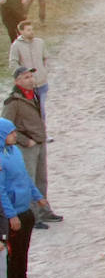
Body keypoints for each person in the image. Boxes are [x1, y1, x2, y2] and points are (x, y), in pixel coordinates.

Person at [0, 118, 48, 278]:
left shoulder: (15, 151)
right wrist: (11, 215)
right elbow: (1, 191)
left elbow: (25, 178)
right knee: (13, 252)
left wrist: (37, 196)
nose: (15, 135)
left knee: (23, 249)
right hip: (12, 213)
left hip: (24, 207)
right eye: (11, 133)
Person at [3, 65, 58, 227]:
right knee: (29, 180)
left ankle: (44, 210)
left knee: (42, 179)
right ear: (17, 81)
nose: (30, 79)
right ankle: (34, 217)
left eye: (31, 76)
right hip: (27, 146)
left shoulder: (33, 94)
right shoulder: (12, 102)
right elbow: (5, 126)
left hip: (39, 142)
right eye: (26, 77)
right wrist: (24, 140)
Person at [9, 22, 51, 118]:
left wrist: (45, 71)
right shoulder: (16, 46)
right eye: (28, 30)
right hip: (27, 86)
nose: (31, 32)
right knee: (31, 112)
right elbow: (13, 63)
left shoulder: (40, 42)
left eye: (32, 29)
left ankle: (41, 131)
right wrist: (21, 76)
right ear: (21, 31)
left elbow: (46, 58)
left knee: (41, 110)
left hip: (41, 83)